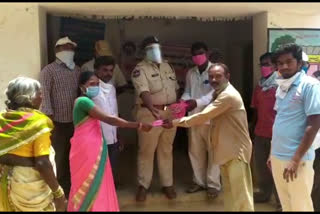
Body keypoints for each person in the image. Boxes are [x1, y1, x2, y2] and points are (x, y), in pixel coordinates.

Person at [164, 63, 254, 211]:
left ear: (227, 76)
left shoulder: (228, 95)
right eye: (211, 76)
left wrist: (174, 123)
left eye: (218, 76)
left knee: (241, 197)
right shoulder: (217, 93)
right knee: (231, 195)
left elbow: (204, 115)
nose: (214, 79)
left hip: (236, 152)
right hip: (226, 151)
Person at [67, 71, 152, 211]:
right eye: (91, 84)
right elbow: (110, 119)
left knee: (97, 183)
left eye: (97, 84)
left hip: (94, 146)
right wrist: (139, 125)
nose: (95, 87)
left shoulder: (88, 101)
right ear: (82, 87)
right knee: (89, 182)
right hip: (87, 149)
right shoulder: (83, 101)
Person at [0, 77, 67, 211]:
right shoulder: (38, 122)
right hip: (30, 188)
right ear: (29, 97)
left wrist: (20, 160)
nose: (42, 97)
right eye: (39, 93)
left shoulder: (2, 119)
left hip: (5, 181)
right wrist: (58, 193)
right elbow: (42, 163)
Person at [269, 43, 320, 211]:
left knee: (300, 206)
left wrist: (296, 159)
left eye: (289, 62)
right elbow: (279, 121)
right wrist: (272, 153)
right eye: (280, 63)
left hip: (297, 159)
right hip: (278, 157)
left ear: (299, 63)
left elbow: (314, 124)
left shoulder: (309, 85)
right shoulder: (282, 86)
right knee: (286, 205)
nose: (284, 66)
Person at [131, 36, 179, 202]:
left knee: (166, 149)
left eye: (156, 47)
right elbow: (143, 91)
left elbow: (175, 90)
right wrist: (153, 110)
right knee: (146, 150)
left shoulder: (168, 66)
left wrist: (175, 110)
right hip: (149, 113)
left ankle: (168, 184)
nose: (155, 50)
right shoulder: (140, 69)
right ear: (145, 52)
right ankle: (143, 185)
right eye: (151, 48)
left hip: (169, 112)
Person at [40, 36, 81, 197]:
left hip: (76, 121)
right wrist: (49, 122)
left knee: (74, 155)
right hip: (57, 122)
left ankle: (72, 185)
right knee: (58, 155)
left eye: (72, 48)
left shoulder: (77, 70)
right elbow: (45, 96)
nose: (69, 51)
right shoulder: (48, 71)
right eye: (66, 48)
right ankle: (58, 189)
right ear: (57, 50)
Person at [180, 42, 221, 198]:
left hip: (211, 118)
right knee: (195, 151)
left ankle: (213, 184)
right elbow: (188, 92)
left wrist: (195, 102)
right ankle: (198, 182)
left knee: (213, 152)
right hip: (194, 118)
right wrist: (183, 103)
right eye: (195, 54)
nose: (198, 56)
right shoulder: (191, 73)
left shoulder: (215, 71)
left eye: (201, 53)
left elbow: (214, 94)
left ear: (207, 53)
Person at [250, 52, 281, 210]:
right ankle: (264, 193)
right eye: (262, 64)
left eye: (267, 64)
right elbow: (255, 108)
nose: (264, 67)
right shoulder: (260, 86)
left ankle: (280, 201)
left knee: (276, 169)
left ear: (275, 66)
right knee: (261, 167)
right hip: (260, 133)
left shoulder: (281, 85)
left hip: (276, 135)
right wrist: (252, 127)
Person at [92, 56, 122, 184]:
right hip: (97, 139)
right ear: (96, 70)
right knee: (97, 175)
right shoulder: (91, 90)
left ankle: (109, 199)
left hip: (113, 138)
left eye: (111, 70)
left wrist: (118, 135)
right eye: (104, 70)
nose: (108, 74)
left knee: (110, 172)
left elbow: (114, 113)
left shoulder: (112, 88)